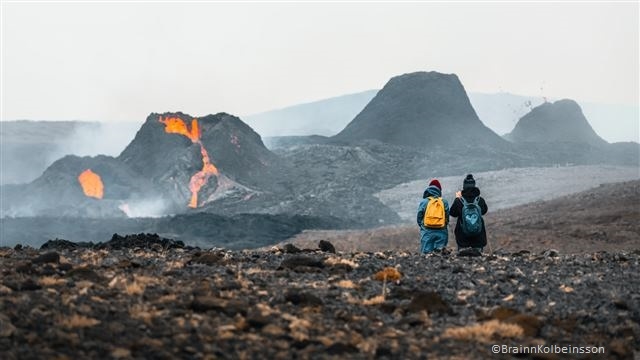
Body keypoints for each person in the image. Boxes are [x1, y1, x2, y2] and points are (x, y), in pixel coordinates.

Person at [449, 174, 488, 255]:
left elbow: (452, 213)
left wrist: (457, 198)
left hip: (463, 238)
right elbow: (484, 211)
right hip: (478, 237)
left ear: (464, 186)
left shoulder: (459, 201)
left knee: (464, 261)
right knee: (479, 260)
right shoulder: (480, 200)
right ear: (474, 185)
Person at [417, 179, 449, 254]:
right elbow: (447, 217)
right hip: (441, 231)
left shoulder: (424, 202)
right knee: (440, 253)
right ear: (439, 190)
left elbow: (419, 217)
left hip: (427, 231)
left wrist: (423, 226)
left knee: (426, 254)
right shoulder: (444, 202)